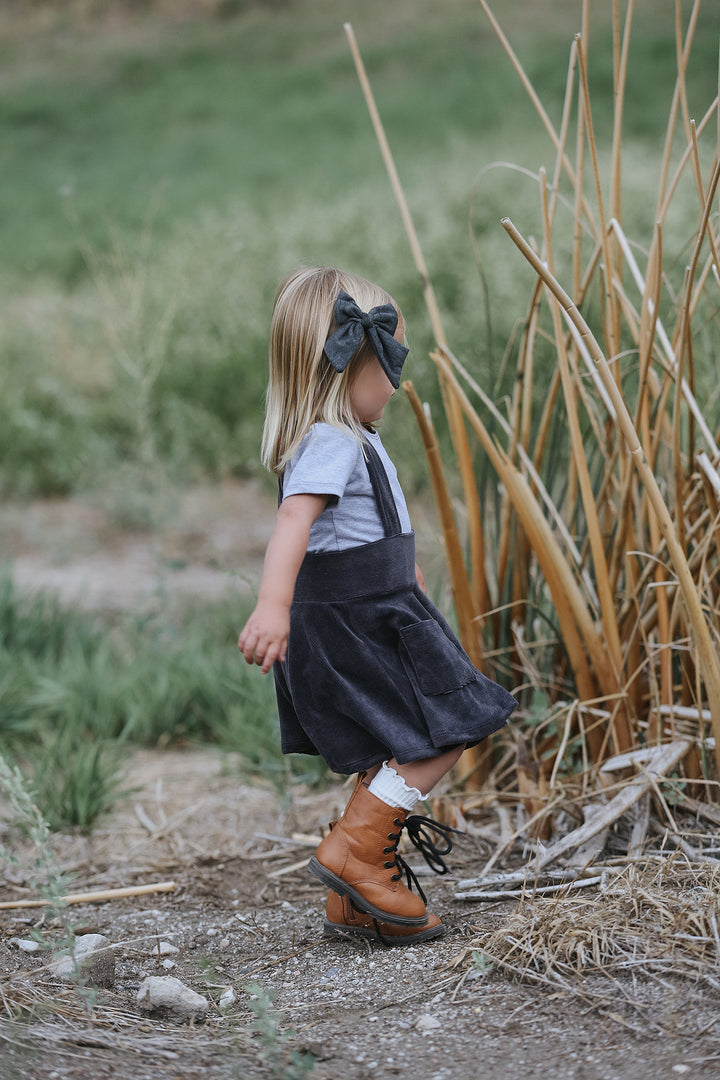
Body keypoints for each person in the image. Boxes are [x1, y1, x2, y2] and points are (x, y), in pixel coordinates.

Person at [238, 265, 517, 944]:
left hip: (379, 604)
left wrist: (406, 572)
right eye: (388, 361)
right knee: (444, 728)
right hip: (355, 620)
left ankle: (354, 902)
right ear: (348, 365)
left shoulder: (351, 437)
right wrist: (272, 605)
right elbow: (293, 525)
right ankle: (355, 852)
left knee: (389, 744)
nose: (396, 379)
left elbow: (361, 527)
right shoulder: (331, 441)